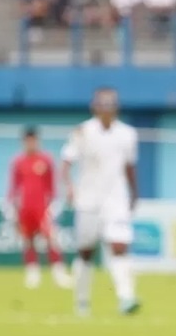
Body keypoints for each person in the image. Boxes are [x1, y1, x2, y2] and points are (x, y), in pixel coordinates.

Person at [60, 88, 140, 316]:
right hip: (88, 200)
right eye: (102, 103)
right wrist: (69, 187)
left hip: (116, 199)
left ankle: (126, 297)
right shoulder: (82, 132)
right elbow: (66, 162)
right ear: (94, 106)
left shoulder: (127, 134)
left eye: (110, 103)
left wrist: (134, 193)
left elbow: (129, 167)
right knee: (86, 252)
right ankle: (82, 301)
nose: (106, 107)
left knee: (119, 246)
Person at [6, 126, 71, 290]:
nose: (31, 144)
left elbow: (51, 186)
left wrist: (54, 206)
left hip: (42, 208)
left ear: (37, 141)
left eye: (33, 140)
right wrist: (10, 206)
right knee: (28, 240)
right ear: (23, 142)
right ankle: (32, 274)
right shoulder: (18, 162)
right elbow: (14, 187)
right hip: (25, 209)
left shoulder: (46, 160)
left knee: (51, 239)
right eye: (27, 141)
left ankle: (59, 273)